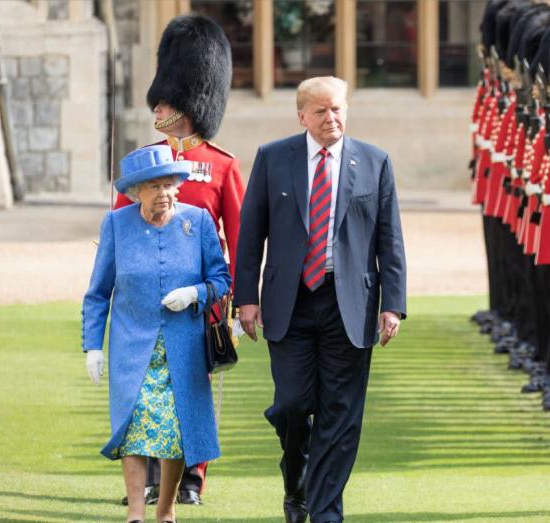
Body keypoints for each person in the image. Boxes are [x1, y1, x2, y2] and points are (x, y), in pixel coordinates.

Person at [235, 76, 407, 523]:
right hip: (289, 301)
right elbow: (251, 234)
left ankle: (326, 511)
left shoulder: (374, 161)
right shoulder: (274, 158)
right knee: (292, 405)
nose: (331, 119)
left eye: (338, 109)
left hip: (349, 303)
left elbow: (390, 240)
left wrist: (393, 304)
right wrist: (245, 298)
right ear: (301, 116)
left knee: (340, 415)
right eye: (321, 111)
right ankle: (297, 482)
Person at [113, 13, 242, 506]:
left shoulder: (222, 166)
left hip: (198, 303)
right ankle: (146, 478)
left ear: (189, 103)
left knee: (193, 391)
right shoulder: (142, 161)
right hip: (145, 299)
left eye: (168, 100)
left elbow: (241, 239)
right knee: (144, 388)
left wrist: (239, 299)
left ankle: (191, 478)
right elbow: (119, 232)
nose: (158, 106)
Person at [82, 145, 231, 523]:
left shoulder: (197, 222)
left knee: (176, 429)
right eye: (154, 187)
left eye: (169, 185)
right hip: (132, 346)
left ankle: (165, 511)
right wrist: (92, 348)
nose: (164, 193)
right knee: (133, 426)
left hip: (183, 347)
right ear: (136, 192)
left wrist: (194, 293)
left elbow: (220, 279)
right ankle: (135, 514)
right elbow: (99, 292)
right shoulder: (116, 224)